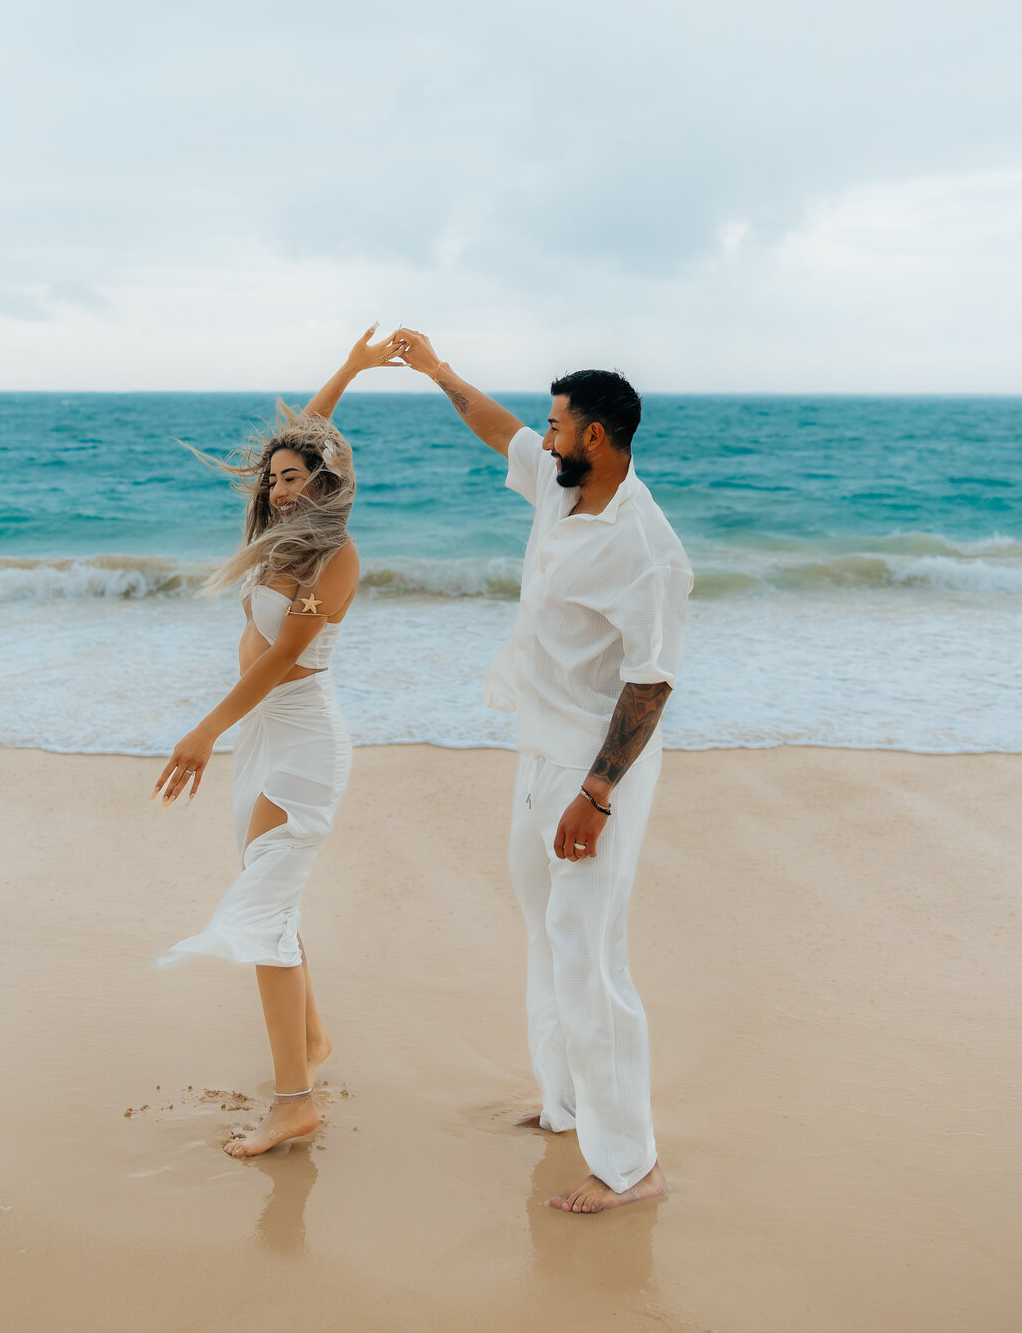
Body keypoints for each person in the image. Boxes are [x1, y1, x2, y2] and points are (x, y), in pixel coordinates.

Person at [391, 330, 692, 1214]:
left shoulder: (647, 547)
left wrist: (597, 796)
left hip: (597, 771)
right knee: (544, 933)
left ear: (595, 437)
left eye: (557, 425)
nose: (544, 435)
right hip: (537, 747)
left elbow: (651, 682)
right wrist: (439, 371)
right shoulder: (561, 493)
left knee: (591, 957)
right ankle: (567, 1108)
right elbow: (496, 430)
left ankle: (633, 1165)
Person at [152, 327, 400, 1158]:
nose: (282, 488)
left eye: (296, 479)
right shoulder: (279, 539)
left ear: (324, 484)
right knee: (269, 902)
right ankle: (314, 1038)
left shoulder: (332, 556)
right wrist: (352, 369)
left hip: (304, 745)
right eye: (275, 479)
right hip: (267, 740)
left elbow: (287, 660)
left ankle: (295, 1100)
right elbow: (308, 434)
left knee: (263, 912)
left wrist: (201, 732)